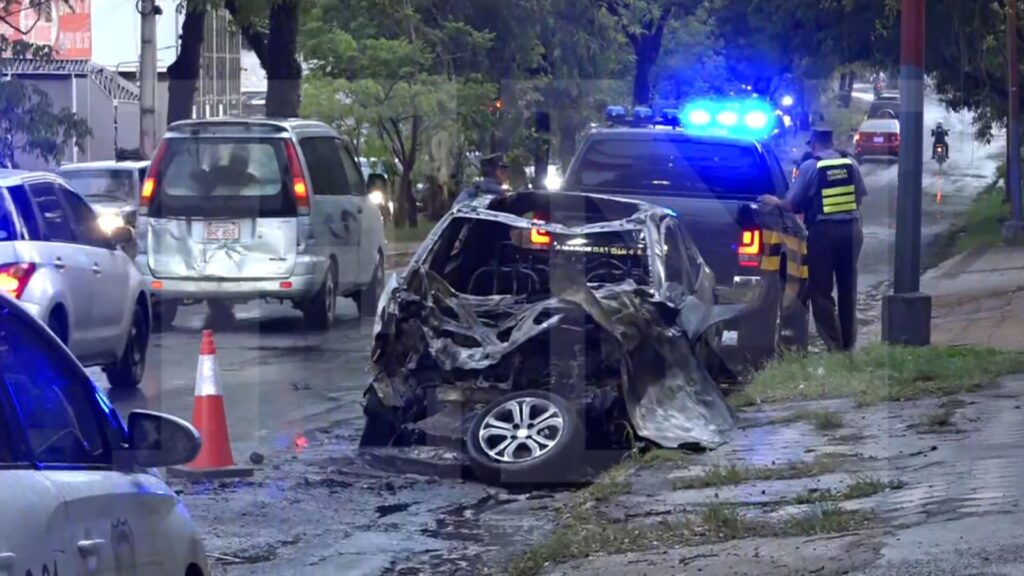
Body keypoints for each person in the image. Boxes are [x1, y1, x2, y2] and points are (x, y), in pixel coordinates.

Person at [759, 128, 867, 352]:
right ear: (832, 142)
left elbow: (791, 204)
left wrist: (774, 201)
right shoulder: (851, 164)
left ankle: (834, 345)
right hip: (852, 231)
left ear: (814, 144)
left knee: (820, 290)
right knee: (848, 288)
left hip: (824, 232)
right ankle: (849, 344)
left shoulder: (811, 166)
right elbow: (860, 196)